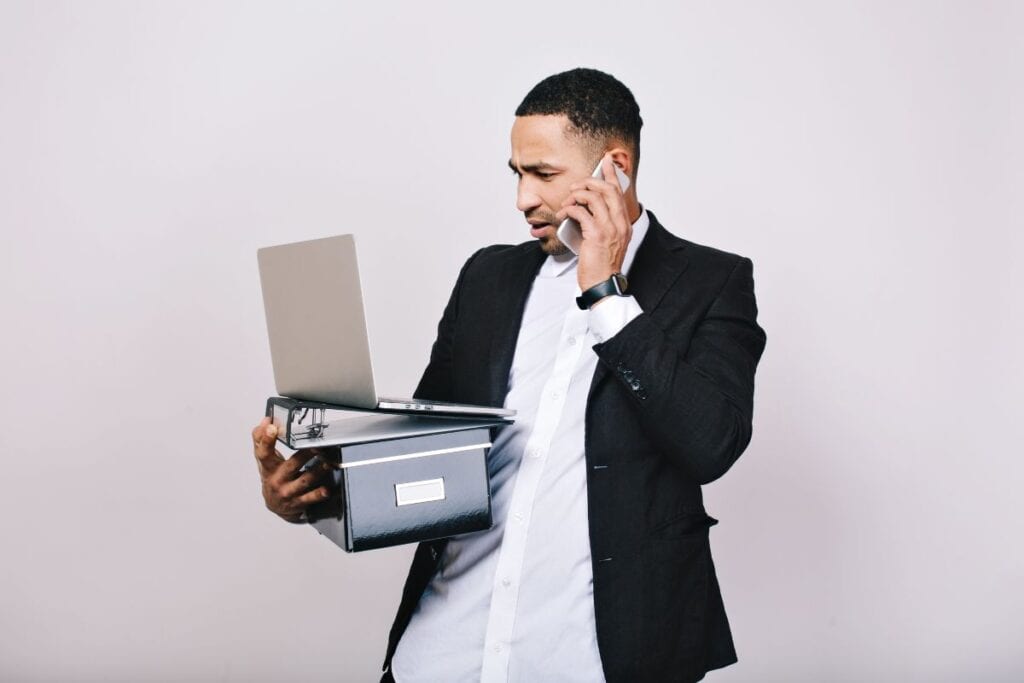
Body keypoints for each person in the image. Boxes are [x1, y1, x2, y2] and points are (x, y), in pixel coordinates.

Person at [251, 67, 766, 682]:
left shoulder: (712, 283)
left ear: (616, 167)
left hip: (593, 663)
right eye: (518, 173)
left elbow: (711, 444)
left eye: (543, 174)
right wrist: (315, 497)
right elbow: (426, 463)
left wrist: (606, 293)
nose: (522, 198)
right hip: (441, 655)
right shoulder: (487, 278)